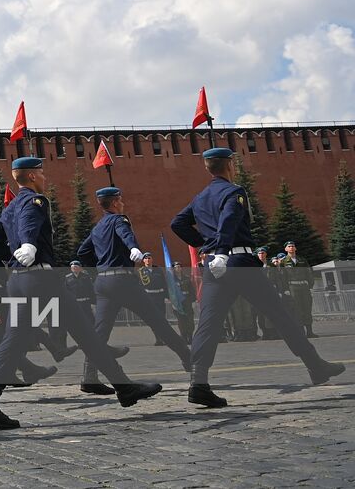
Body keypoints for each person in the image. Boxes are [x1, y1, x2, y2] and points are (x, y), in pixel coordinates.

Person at [0, 157, 162, 430]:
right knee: (85, 332)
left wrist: (13, 258)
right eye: (40, 173)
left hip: (19, 279)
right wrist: (27, 245)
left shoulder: (8, 208)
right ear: (30, 177)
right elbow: (28, 223)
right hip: (41, 278)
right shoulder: (34, 202)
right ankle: (124, 388)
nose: (44, 177)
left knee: (15, 340)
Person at [170, 148, 345, 409]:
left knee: (208, 322)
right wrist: (220, 249)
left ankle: (199, 384)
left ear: (208, 168)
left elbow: (177, 224)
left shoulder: (200, 198)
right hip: (240, 263)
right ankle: (315, 365)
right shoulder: (234, 191)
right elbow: (229, 219)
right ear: (230, 165)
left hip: (215, 267)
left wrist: (206, 246)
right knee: (280, 314)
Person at [76, 187, 191, 396]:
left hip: (103, 282)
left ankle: (89, 376)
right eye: (120, 200)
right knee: (159, 322)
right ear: (114, 203)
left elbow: (83, 252)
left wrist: (101, 265)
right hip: (123, 281)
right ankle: (189, 359)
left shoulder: (97, 227)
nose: (122, 203)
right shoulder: (119, 220)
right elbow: (125, 234)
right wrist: (133, 248)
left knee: (99, 333)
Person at [281, 242, 317, 337]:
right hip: (293, 288)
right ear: (286, 249)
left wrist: (311, 287)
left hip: (304, 287)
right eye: (289, 246)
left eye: (293, 246)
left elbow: (309, 273)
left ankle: (310, 331)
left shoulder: (302, 260)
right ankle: (301, 332)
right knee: (297, 309)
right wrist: (285, 289)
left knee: (307, 308)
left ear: (295, 248)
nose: (291, 248)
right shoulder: (284, 262)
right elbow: (282, 277)